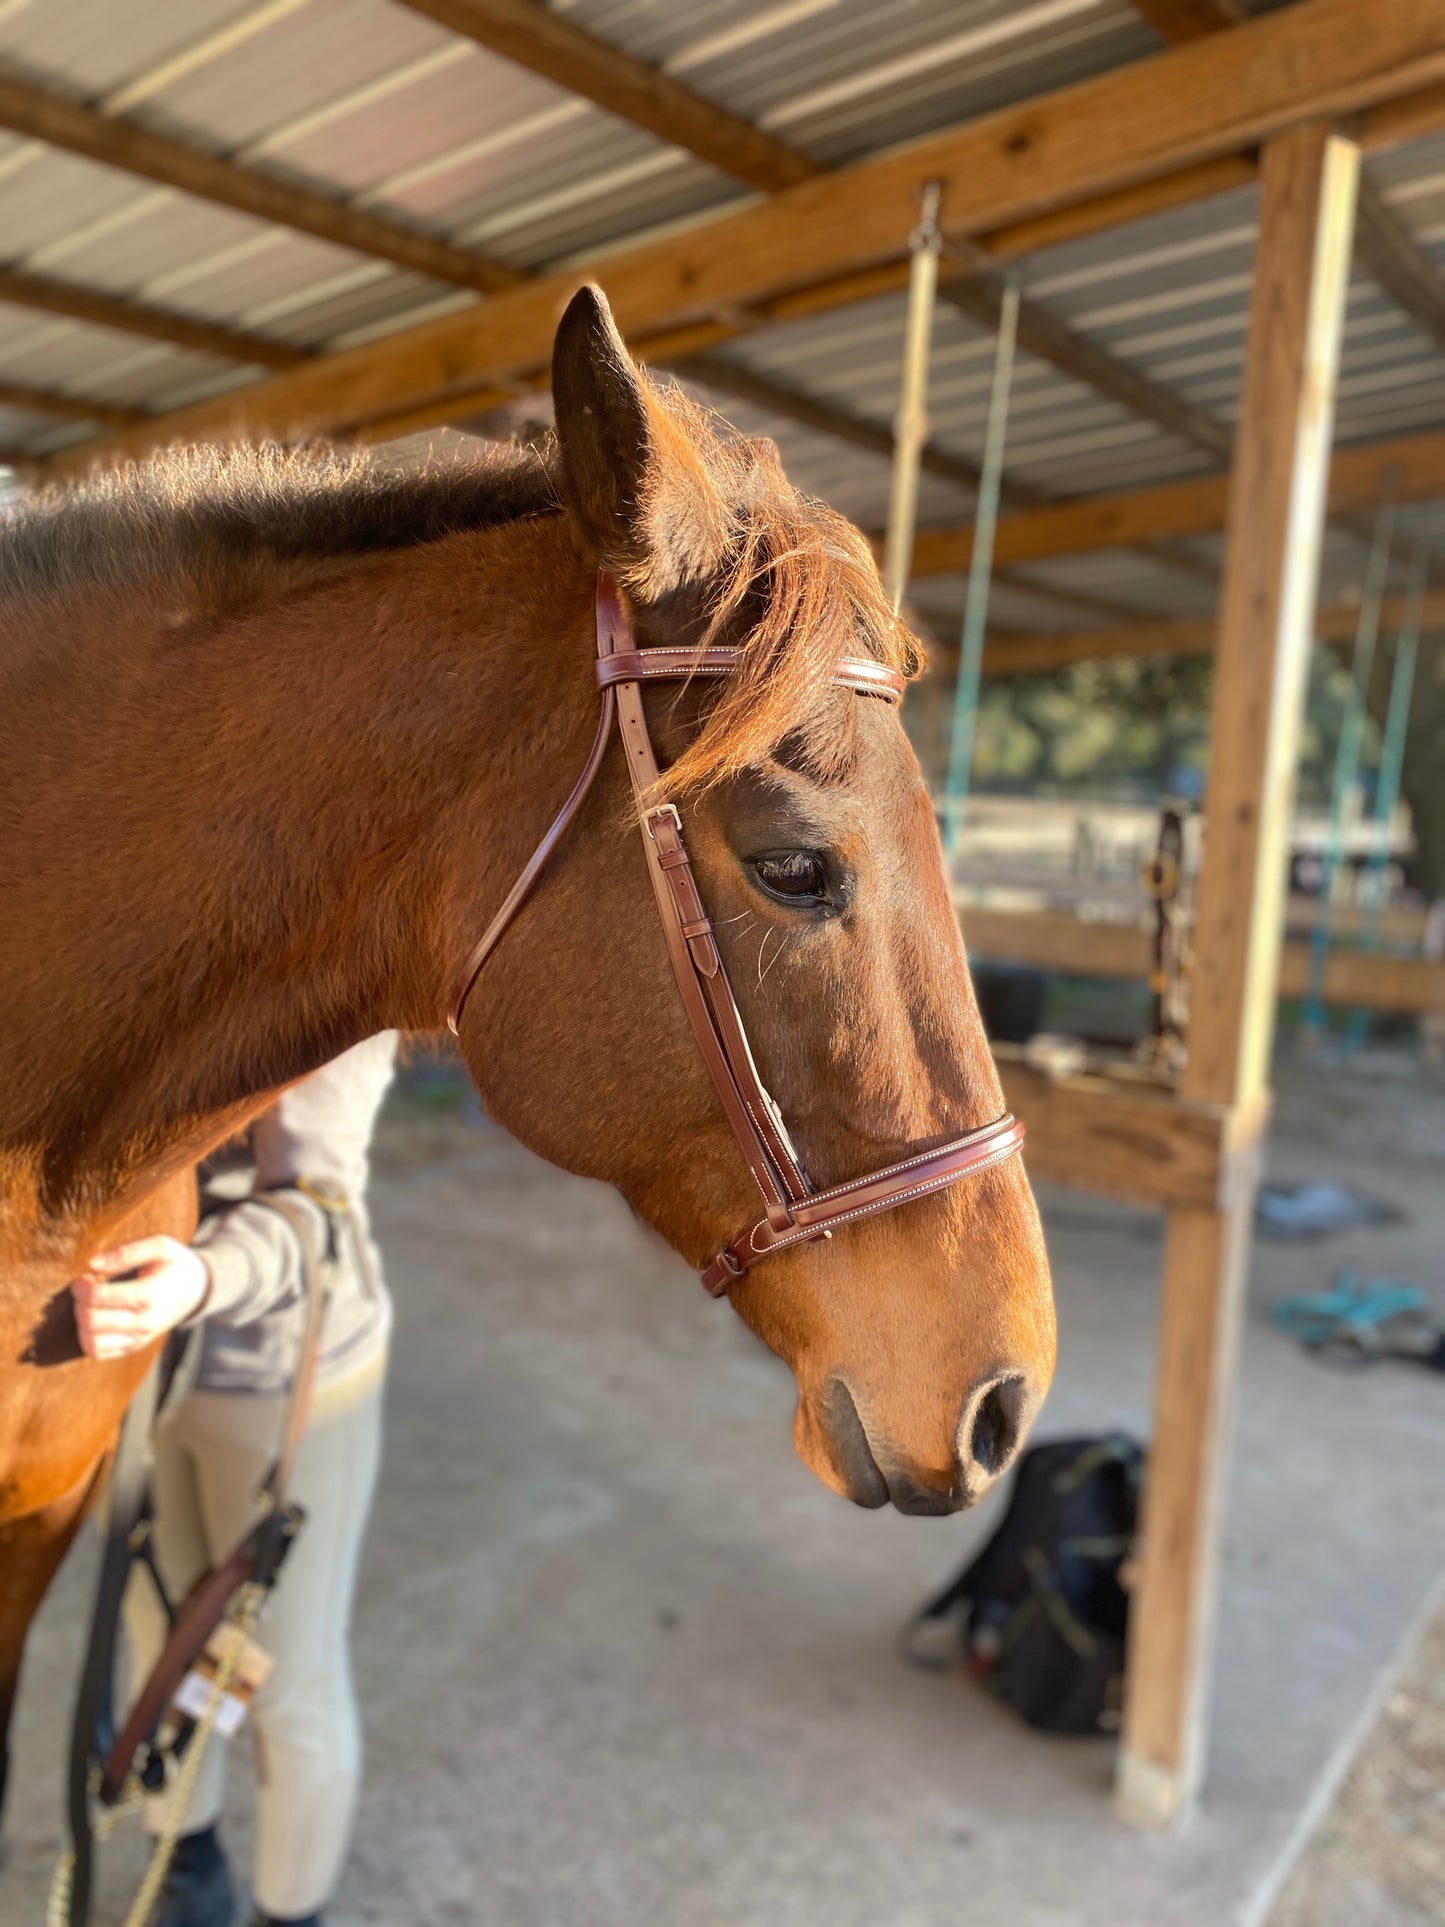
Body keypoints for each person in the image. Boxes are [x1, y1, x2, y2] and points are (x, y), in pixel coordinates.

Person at [70, 1033, 398, 1927]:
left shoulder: (317, 966)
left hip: (285, 1374)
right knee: (159, 1640)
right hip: (132, 1371)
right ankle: (186, 1862)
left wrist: (206, 1276)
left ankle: (287, 1914)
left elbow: (320, 1209)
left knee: (287, 1680)